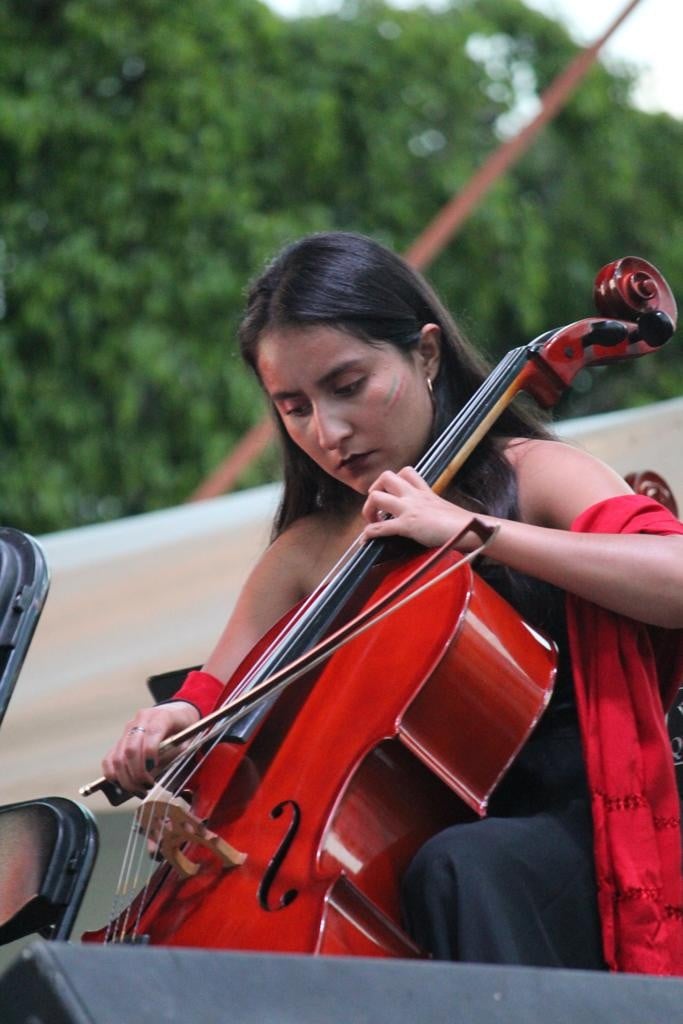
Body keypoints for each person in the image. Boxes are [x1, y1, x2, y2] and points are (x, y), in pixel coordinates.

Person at [102, 231, 683, 974]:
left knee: (457, 868)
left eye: (347, 386)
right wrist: (169, 726)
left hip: (565, 833)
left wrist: (475, 532)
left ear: (427, 354)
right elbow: (210, 698)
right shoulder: (305, 553)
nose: (328, 432)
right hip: (392, 853)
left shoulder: (530, 475)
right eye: (294, 407)